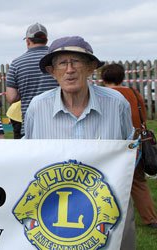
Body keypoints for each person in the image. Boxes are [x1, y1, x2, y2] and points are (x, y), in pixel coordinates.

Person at [25, 36, 135, 248]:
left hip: (109, 202)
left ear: (90, 68)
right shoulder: (37, 108)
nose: (69, 70)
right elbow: (28, 154)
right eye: (62, 63)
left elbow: (127, 150)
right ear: (52, 71)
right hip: (54, 206)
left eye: (76, 61)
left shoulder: (116, 104)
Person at [101, 63, 157, 229]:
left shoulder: (105, 95)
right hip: (136, 141)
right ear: (122, 77)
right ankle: (151, 219)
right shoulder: (134, 92)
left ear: (103, 78)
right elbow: (143, 117)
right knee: (139, 182)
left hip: (114, 144)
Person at [5, 23, 58, 135]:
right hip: (59, 124)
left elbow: (11, 97)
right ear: (46, 40)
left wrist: (24, 91)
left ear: (28, 41)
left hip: (31, 125)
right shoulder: (57, 60)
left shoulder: (17, 63)